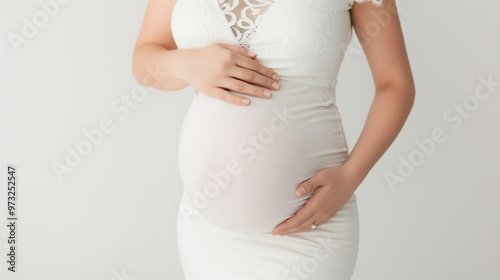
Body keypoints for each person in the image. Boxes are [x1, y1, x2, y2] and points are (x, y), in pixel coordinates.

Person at [132, 0, 415, 278]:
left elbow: (395, 85)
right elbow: (144, 59)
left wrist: (351, 176)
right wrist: (184, 64)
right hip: (205, 233)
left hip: (310, 232)